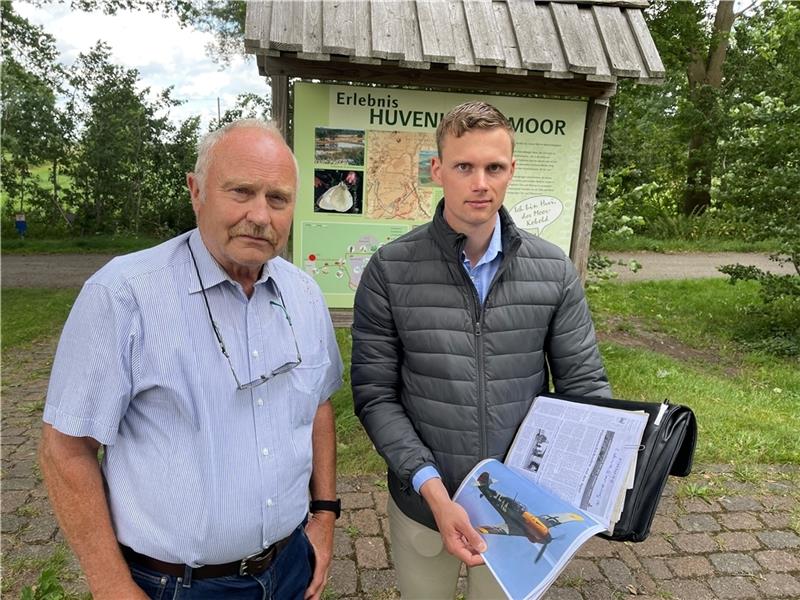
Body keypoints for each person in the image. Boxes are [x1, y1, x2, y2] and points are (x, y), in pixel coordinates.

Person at [39, 119, 343, 600]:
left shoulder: (304, 295)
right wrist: (110, 584)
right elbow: (66, 448)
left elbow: (319, 404)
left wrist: (324, 516)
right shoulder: (124, 295)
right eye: (241, 191)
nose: (260, 215)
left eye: (278, 198)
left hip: (289, 570)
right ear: (196, 191)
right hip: (175, 586)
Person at [351, 101, 611, 599]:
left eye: (494, 168)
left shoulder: (552, 271)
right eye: (464, 166)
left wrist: (603, 476)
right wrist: (432, 489)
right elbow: (376, 395)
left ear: (512, 170)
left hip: (516, 508)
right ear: (437, 170)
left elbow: (584, 390)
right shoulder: (390, 270)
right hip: (425, 505)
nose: (480, 183)